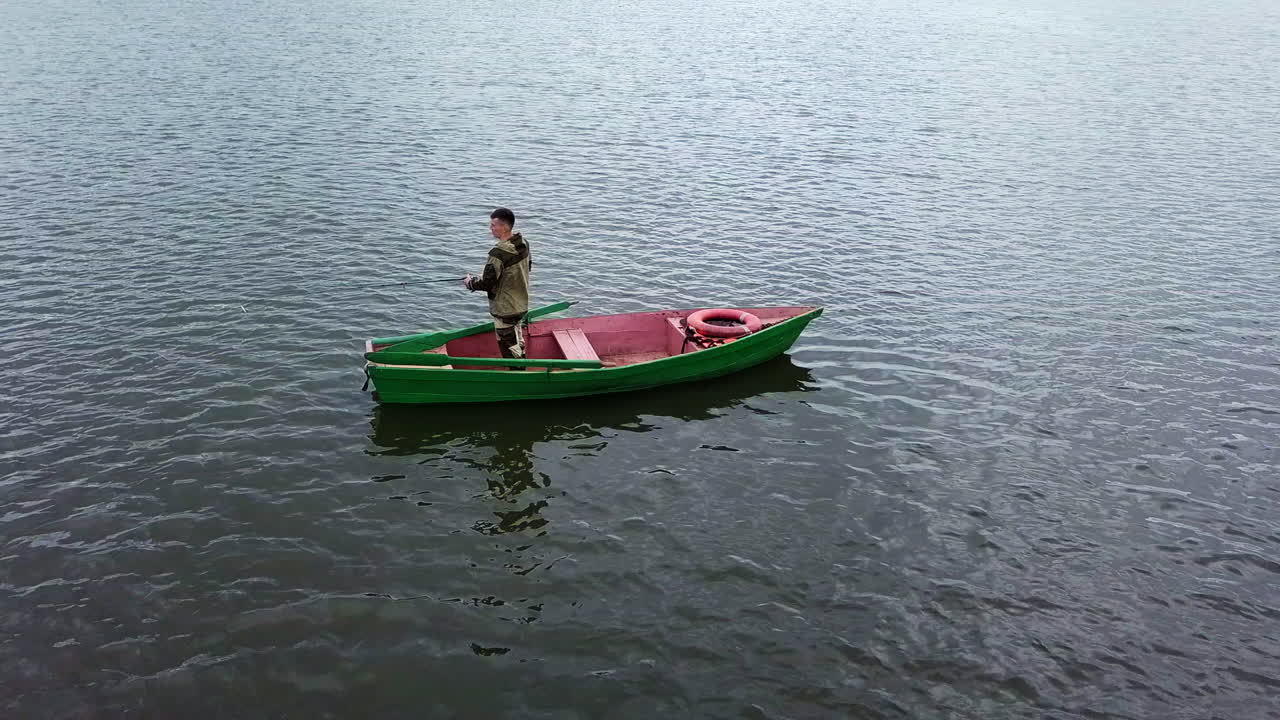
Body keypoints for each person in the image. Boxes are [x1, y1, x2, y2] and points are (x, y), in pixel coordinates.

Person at [463, 208, 531, 365]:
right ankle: (522, 367)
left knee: (508, 347)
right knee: (517, 340)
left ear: (505, 227)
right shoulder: (523, 243)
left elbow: (487, 283)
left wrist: (470, 283)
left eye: (493, 225)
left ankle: (518, 378)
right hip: (521, 303)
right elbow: (524, 268)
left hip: (505, 309)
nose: (490, 229)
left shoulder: (497, 254)